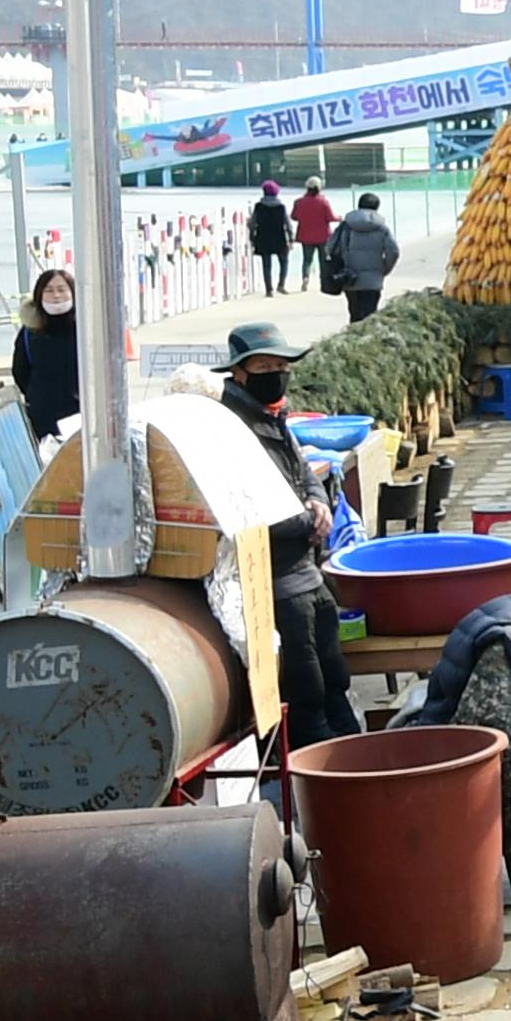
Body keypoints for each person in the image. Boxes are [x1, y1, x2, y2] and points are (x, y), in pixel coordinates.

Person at [218, 320, 361, 748]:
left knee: (336, 676)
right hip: (277, 585)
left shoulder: (274, 418)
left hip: (309, 575)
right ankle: (321, 778)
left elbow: (305, 474)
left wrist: (318, 502)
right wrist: (307, 522)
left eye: (281, 365)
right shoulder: (232, 430)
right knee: (307, 692)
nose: (275, 374)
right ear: (239, 373)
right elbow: (246, 509)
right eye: (264, 365)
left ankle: (358, 756)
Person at [11, 266, 82, 442]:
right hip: (43, 416)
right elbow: (20, 372)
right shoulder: (30, 332)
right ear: (39, 295)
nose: (56, 296)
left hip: (83, 413)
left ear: (73, 292)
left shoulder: (87, 327)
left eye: (61, 289)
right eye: (49, 291)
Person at [327, 194, 398, 325]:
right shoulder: (382, 228)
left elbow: (330, 247)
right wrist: (384, 269)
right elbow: (393, 251)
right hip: (373, 281)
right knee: (370, 317)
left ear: (359, 206)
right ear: (377, 207)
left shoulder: (346, 226)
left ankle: (352, 342)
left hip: (349, 277)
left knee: (354, 315)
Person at [289, 177, 336, 291]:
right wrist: (340, 218)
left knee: (307, 260)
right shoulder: (323, 202)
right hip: (323, 236)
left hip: (306, 235)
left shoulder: (299, 202)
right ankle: (323, 282)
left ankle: (306, 277)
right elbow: (331, 217)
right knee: (323, 260)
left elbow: (294, 216)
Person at [245, 182, 290, 297]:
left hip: (263, 237)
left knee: (266, 264)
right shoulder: (281, 207)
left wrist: (251, 237)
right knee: (284, 262)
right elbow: (287, 224)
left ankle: (269, 289)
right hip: (279, 237)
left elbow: (253, 223)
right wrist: (291, 237)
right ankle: (281, 285)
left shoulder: (259, 207)